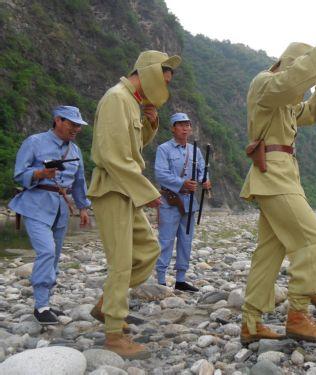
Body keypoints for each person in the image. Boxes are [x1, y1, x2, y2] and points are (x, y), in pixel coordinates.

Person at [239, 25, 316, 344]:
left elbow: (311, 112)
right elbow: (289, 82)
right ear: (292, 65)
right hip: (274, 173)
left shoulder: (284, 103)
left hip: (281, 173)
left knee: (269, 253)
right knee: (314, 240)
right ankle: (298, 315)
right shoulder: (265, 83)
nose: (303, 84)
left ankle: (252, 323)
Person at [87, 50, 181, 359]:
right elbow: (114, 156)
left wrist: (151, 123)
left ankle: (106, 304)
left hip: (126, 189)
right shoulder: (116, 98)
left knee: (148, 251)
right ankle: (114, 333)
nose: (165, 86)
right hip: (114, 188)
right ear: (148, 72)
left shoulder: (131, 102)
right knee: (121, 261)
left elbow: (131, 147)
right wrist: (151, 192)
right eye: (163, 79)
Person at [8, 105, 91, 325]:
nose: (76, 129)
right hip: (36, 204)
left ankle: (45, 301)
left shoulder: (75, 151)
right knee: (46, 251)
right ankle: (40, 307)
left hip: (62, 207)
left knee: (54, 256)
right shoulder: (34, 142)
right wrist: (40, 173)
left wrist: (83, 208)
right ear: (58, 120)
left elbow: (80, 182)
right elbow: (18, 174)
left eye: (78, 126)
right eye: (72, 124)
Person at [154, 112, 211, 292]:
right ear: (173, 128)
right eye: (181, 125)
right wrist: (181, 183)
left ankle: (180, 279)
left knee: (186, 240)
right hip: (170, 200)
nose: (185, 128)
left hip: (189, 201)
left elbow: (202, 170)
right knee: (166, 240)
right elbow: (160, 174)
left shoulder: (195, 150)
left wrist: (205, 180)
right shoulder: (164, 149)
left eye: (187, 125)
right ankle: (161, 280)